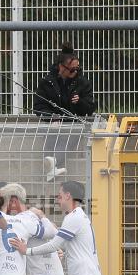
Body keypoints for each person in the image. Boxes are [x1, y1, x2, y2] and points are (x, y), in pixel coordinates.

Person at [34, 42, 96, 181]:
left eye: (78, 69)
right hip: (53, 125)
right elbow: (39, 106)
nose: (76, 73)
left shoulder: (83, 83)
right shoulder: (46, 83)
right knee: (52, 132)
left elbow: (91, 107)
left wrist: (79, 102)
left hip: (74, 125)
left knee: (70, 133)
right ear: (61, 67)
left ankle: (52, 161)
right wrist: (52, 117)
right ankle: (51, 166)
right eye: (72, 70)